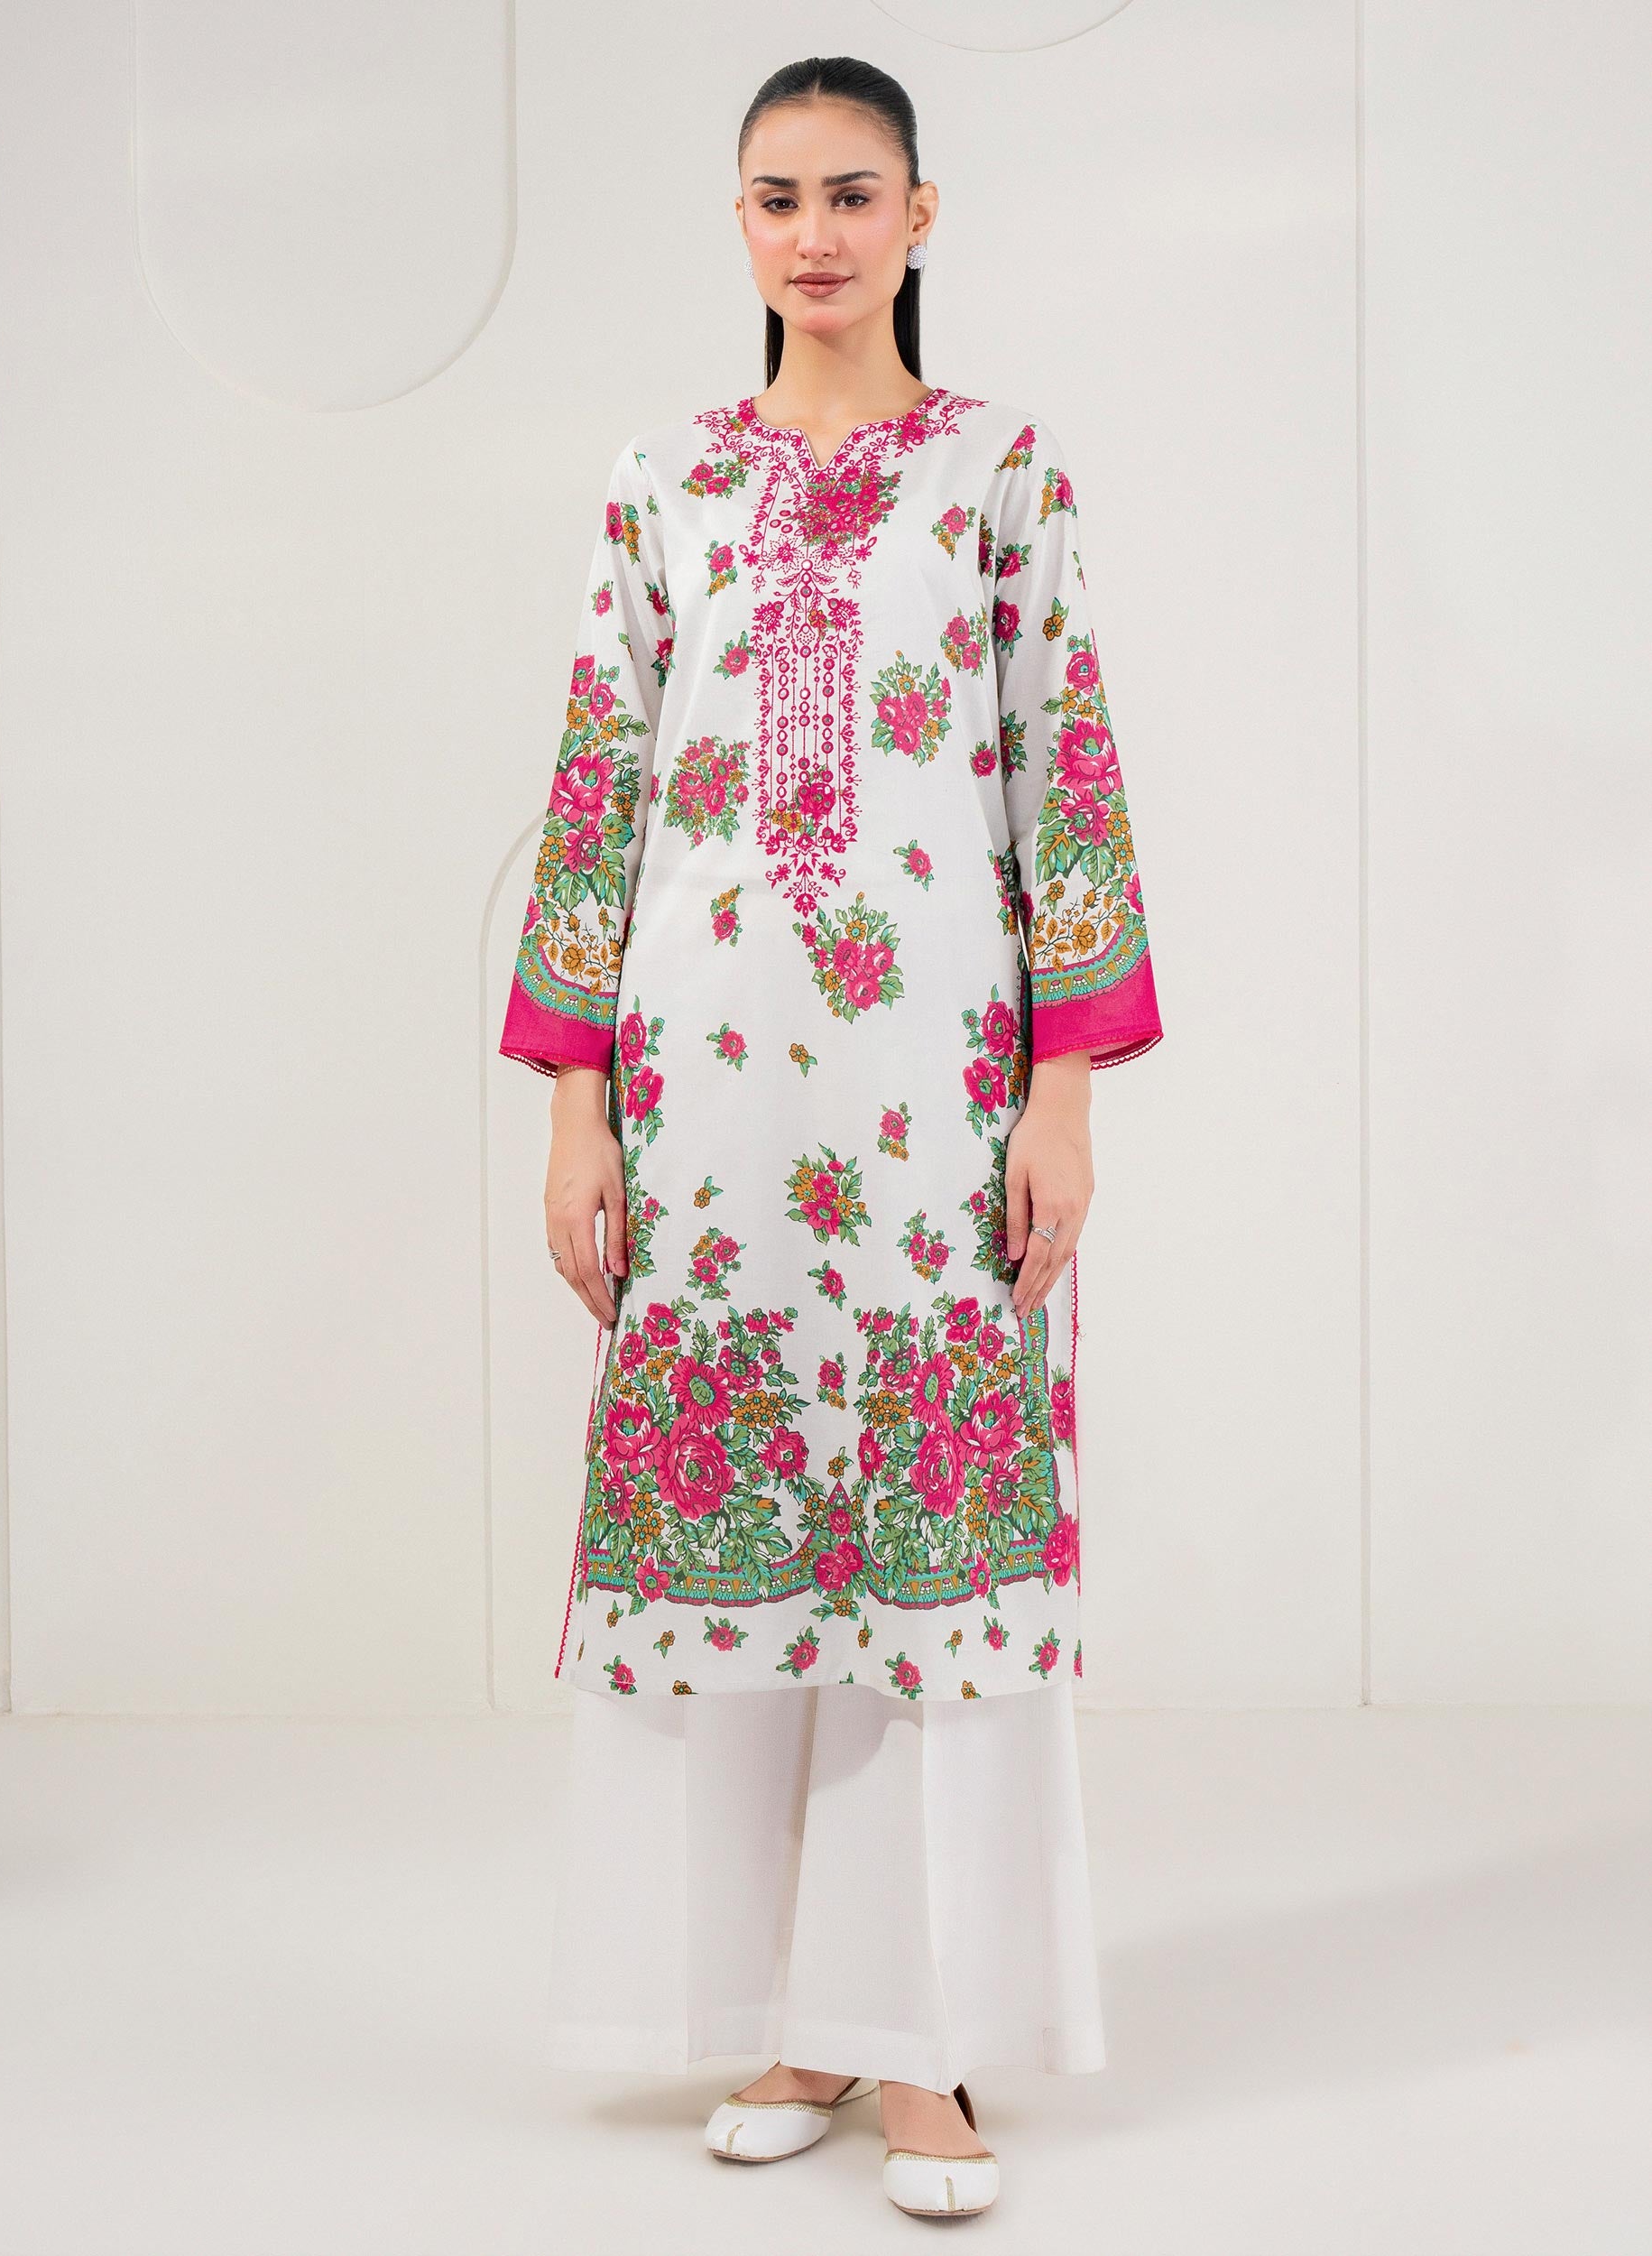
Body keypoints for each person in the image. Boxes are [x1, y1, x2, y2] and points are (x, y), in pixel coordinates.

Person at [497, 52, 1164, 2223]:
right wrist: (578, 1107)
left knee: (924, 1560)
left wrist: (1060, 1090)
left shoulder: (996, 472)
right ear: (737, 221)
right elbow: (595, 788)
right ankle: (798, 2016)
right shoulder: (663, 479)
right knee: (752, 1547)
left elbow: (1063, 774)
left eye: (851, 193)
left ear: (919, 214)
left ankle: (926, 2044)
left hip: (932, 1098)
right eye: (776, 196)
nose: (813, 233)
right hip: (699, 1100)